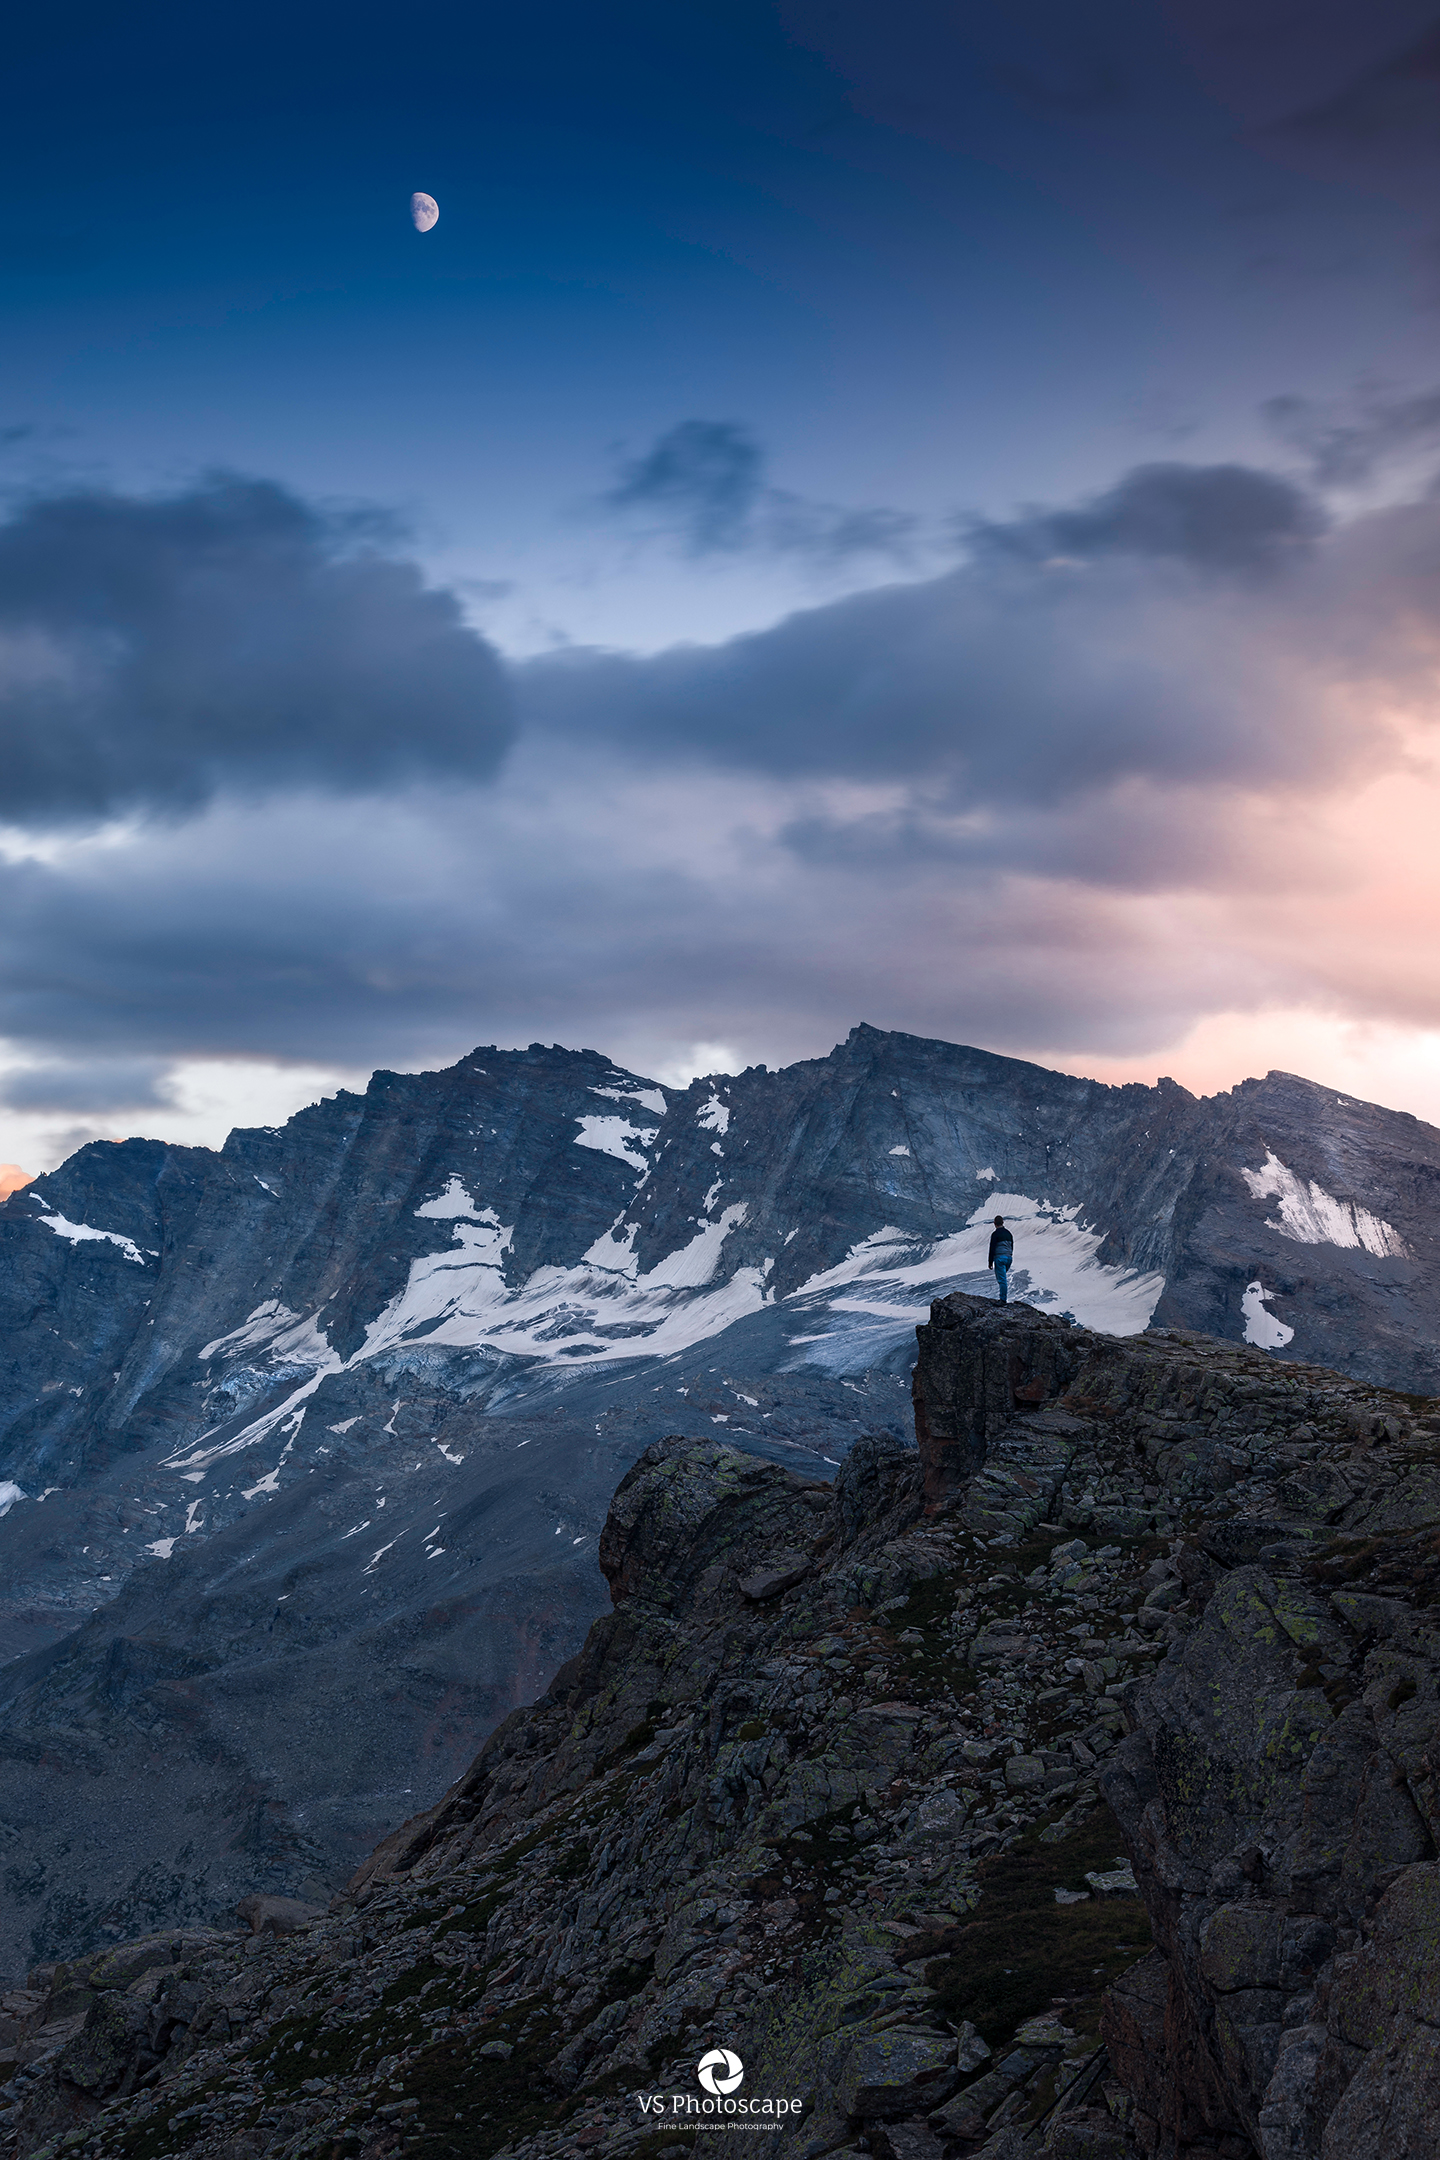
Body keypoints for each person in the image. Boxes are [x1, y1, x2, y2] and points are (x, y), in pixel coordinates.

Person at [988, 1215, 1013, 1303]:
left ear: (994, 1223)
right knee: (1003, 1278)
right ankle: (1003, 1298)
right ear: (1003, 1222)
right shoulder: (1009, 1233)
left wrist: (990, 1262)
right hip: (1009, 1258)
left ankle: (1003, 1300)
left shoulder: (995, 1234)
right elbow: (1011, 1246)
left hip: (1000, 1258)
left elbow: (992, 1248)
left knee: (1002, 1280)